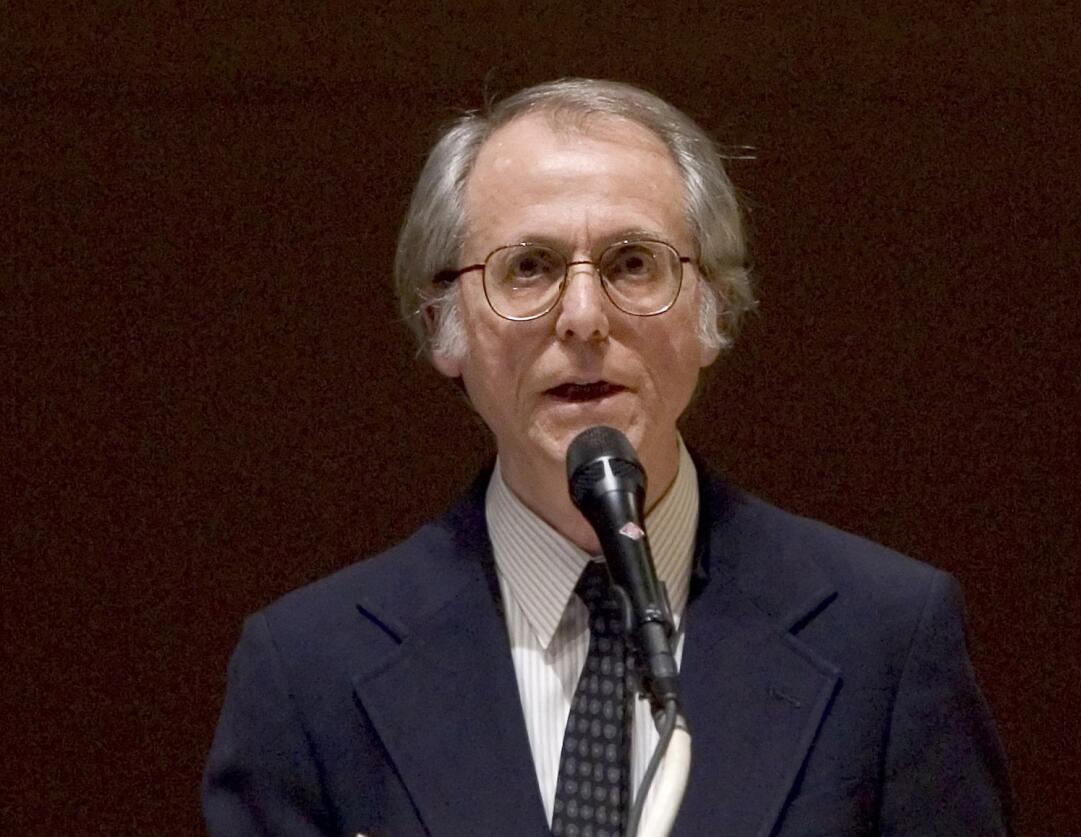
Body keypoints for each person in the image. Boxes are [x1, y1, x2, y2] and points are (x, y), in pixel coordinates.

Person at [203, 78, 1012, 836]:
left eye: (632, 263)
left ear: (711, 307)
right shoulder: (308, 672)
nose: (584, 318)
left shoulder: (884, 637)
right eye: (529, 268)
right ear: (443, 321)